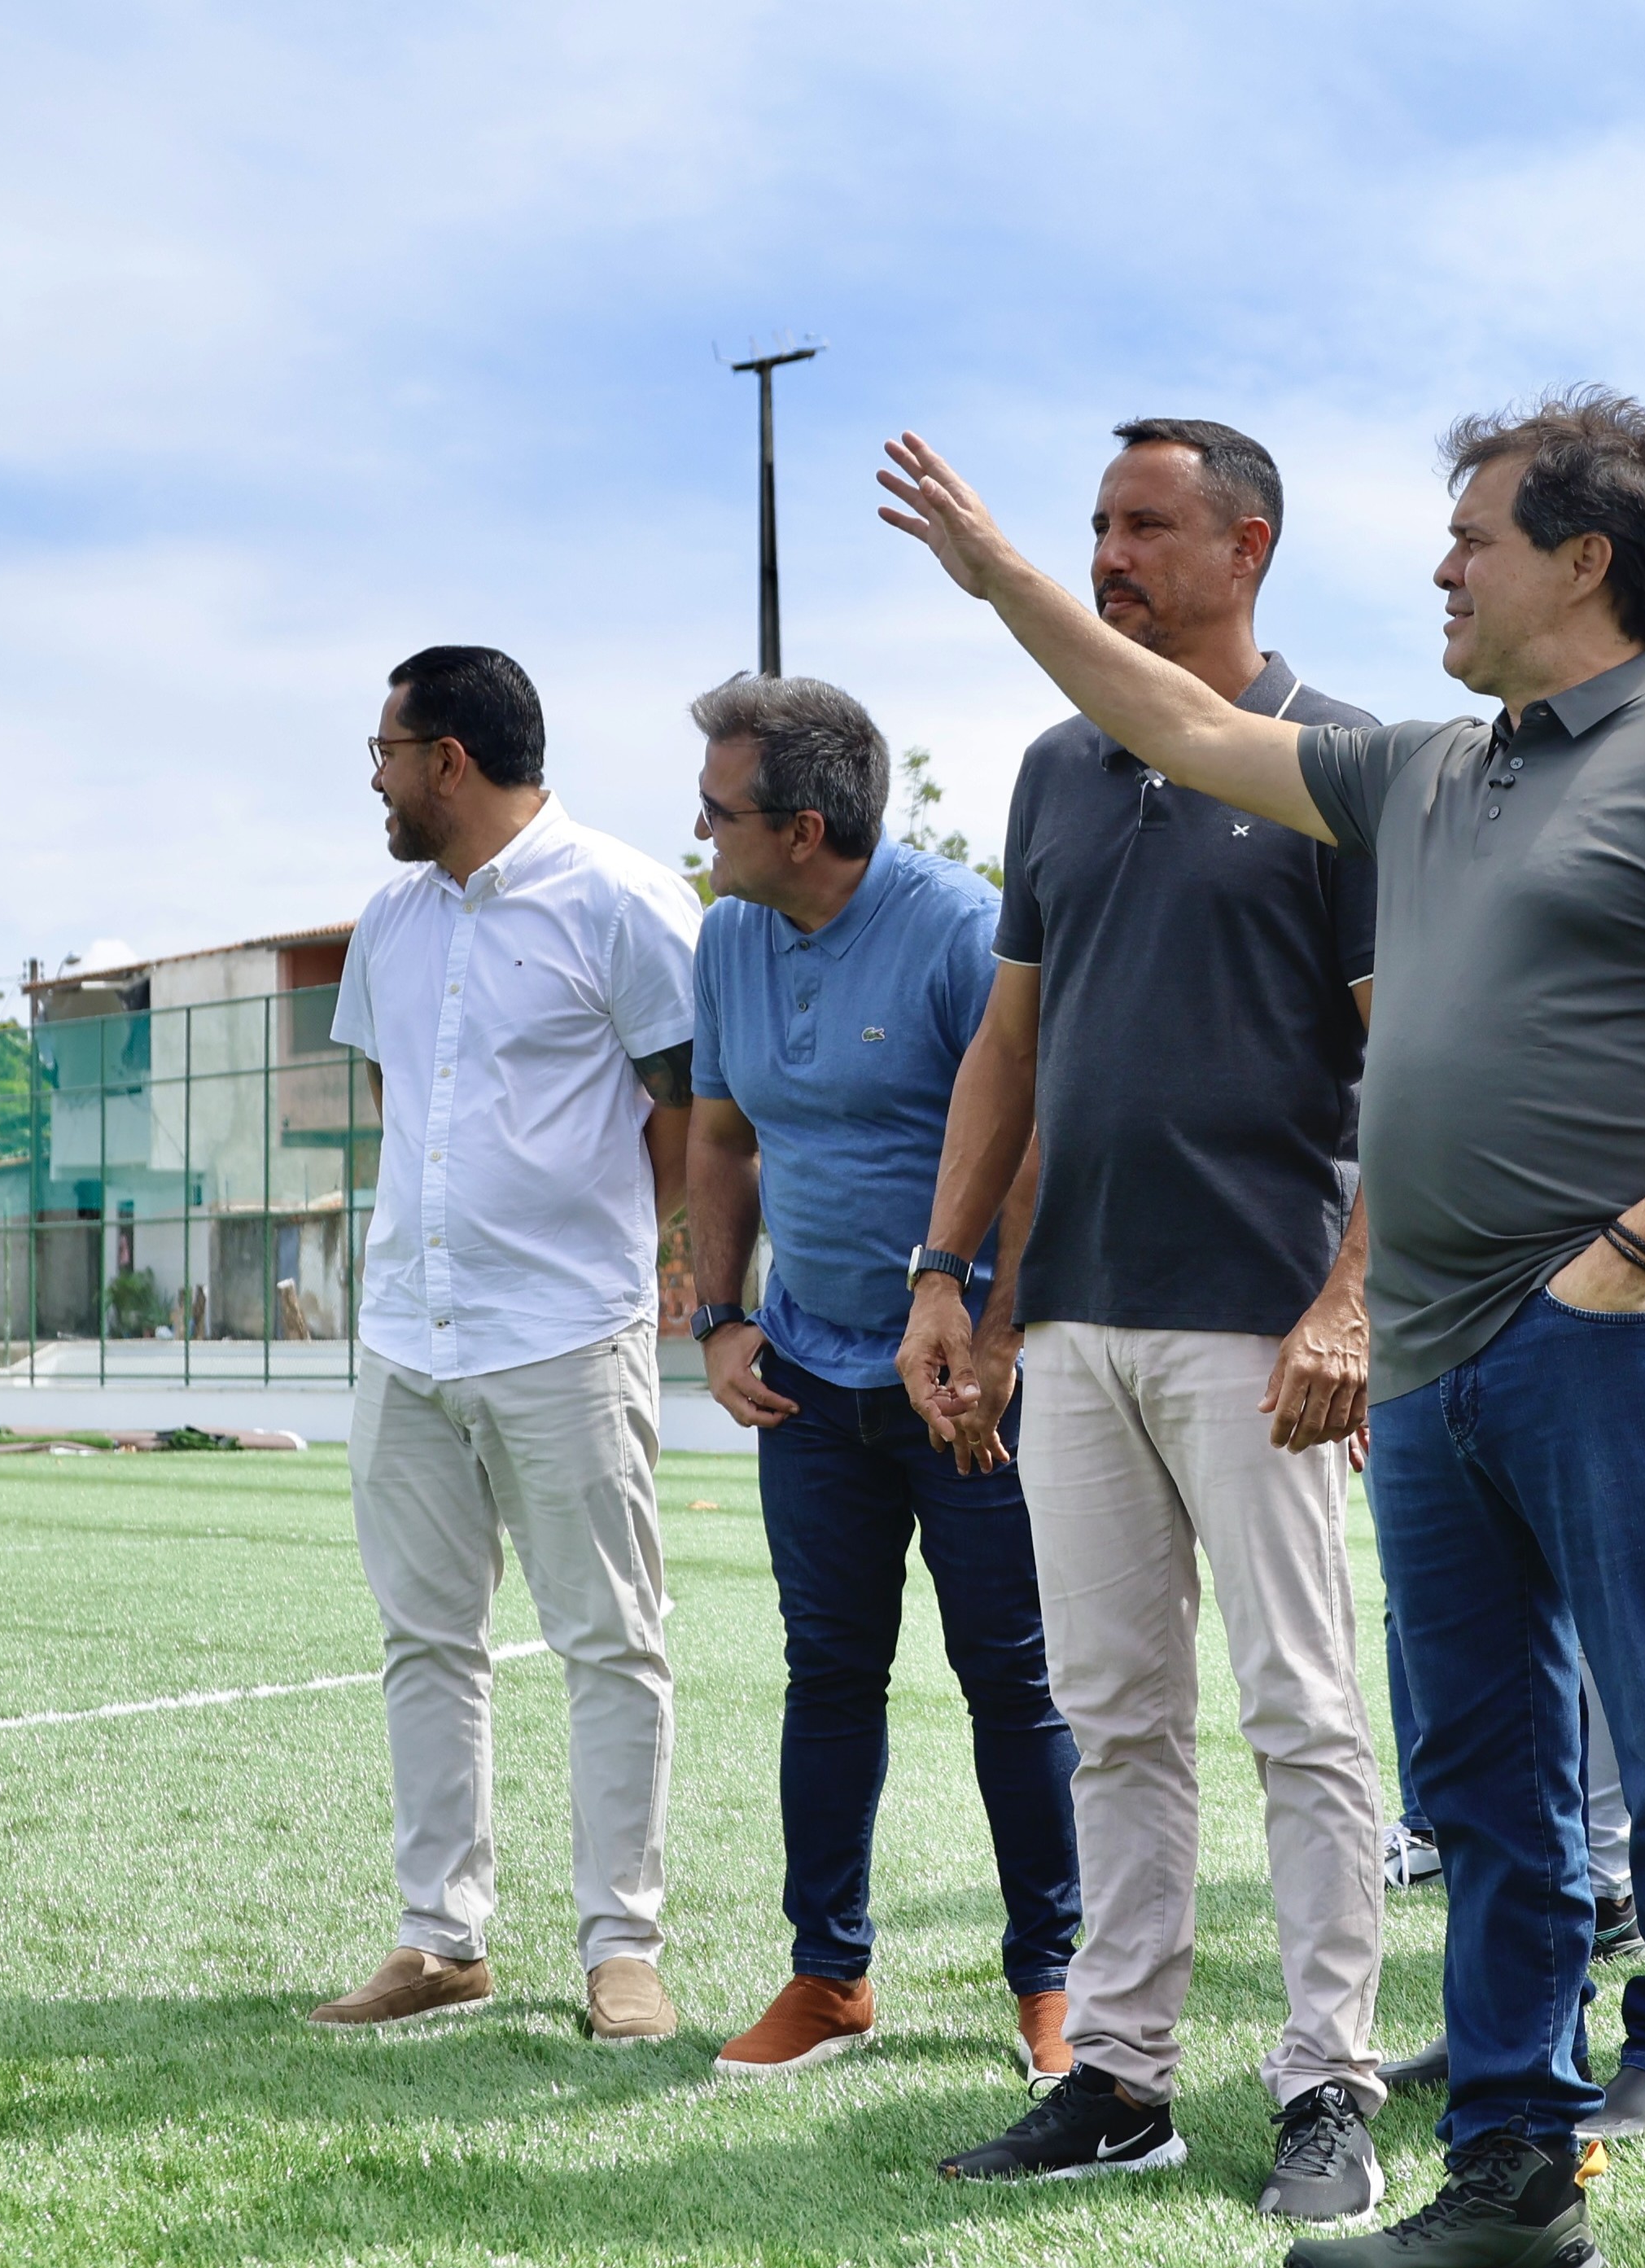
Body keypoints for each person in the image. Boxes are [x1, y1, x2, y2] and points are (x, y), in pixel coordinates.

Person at [878, 387, 1645, 2268]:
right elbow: (1173, 724)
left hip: (1620, 1350)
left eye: (1474, 539)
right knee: (1490, 1790)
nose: (1439, 567)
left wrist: (1627, 1258)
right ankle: (1511, 2172)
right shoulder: (1427, 770)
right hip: (1437, 1367)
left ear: (1585, 562)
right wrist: (1005, 581)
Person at [891, 421, 1395, 2218]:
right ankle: (1120, 2077)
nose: (1112, 552)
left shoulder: (1332, 760)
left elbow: (1406, 1057)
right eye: (1098, 525)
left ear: (1246, 545)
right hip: (1082, 1318)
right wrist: (952, 1280)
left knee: (1304, 1714)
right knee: (1110, 1711)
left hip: (1265, 1319)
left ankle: (1330, 2081)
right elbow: (1008, 1048)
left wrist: (1352, 1295)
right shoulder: (1052, 766)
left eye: (1146, 526)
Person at [672, 673, 1088, 2086]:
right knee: (829, 1674)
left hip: (960, 1381)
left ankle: (1055, 1983)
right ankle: (829, 1978)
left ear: (801, 826)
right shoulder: (729, 934)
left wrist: (999, 1337)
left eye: (718, 809)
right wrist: (722, 1316)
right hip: (809, 1377)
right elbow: (720, 1137)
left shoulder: (959, 928)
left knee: (1010, 1680)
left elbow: (1031, 1141)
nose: (699, 829)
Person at [305, 646, 704, 2045]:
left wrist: (628, 1253)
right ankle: (441, 1941)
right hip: (405, 1335)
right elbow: (399, 1101)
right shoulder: (388, 921)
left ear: (449, 760)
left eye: (387, 751)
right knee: (426, 1641)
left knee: (609, 1643)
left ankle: (623, 1950)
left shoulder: (626, 899)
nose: (377, 777)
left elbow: (690, 1107)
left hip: (564, 1337)